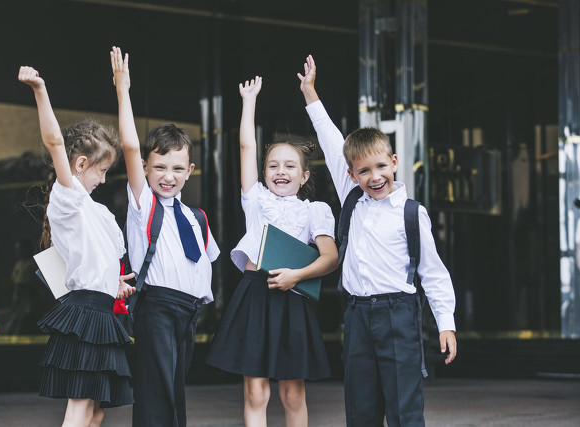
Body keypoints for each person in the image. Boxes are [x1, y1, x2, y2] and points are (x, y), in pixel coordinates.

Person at [298, 55, 457, 427]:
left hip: (398, 315)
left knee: (404, 408)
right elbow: (331, 137)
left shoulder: (411, 212)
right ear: (351, 174)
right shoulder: (352, 196)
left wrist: (445, 322)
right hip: (356, 316)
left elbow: (433, 272)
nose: (374, 177)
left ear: (395, 162)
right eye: (364, 171)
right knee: (361, 408)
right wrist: (310, 92)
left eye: (381, 167)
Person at [205, 75, 338, 427]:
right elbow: (247, 148)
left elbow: (330, 257)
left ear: (305, 176)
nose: (281, 171)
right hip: (255, 295)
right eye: (273, 166)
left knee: (293, 393)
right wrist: (249, 103)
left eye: (290, 166)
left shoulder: (315, 211)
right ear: (263, 174)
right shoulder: (256, 200)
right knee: (256, 393)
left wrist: (297, 275)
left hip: (293, 298)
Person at [18, 66, 136, 427]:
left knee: (95, 409)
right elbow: (55, 142)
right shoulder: (69, 197)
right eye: (101, 171)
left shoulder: (95, 211)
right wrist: (40, 89)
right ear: (81, 164)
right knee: (82, 405)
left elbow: (95, 261)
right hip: (86, 312)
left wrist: (112, 283)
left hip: (102, 310)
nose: (103, 179)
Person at [110, 46, 220, 427]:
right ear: (145, 167)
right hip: (156, 308)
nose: (167, 176)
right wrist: (123, 89)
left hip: (188, 313)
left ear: (190, 170)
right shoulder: (144, 205)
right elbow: (127, 144)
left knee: (174, 395)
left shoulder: (196, 217)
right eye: (158, 167)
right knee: (157, 397)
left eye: (176, 168)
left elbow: (206, 266)